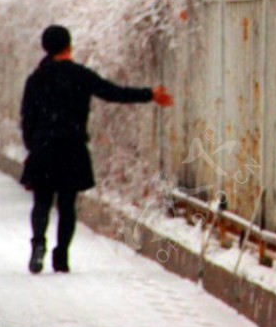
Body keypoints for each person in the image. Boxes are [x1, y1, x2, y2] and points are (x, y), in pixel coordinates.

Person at [19, 24, 174, 274]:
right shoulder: (80, 75)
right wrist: (149, 94)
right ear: (69, 46)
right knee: (67, 204)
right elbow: (112, 92)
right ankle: (61, 256)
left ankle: (38, 245)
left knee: (41, 202)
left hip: (44, 148)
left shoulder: (36, 79)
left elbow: (27, 117)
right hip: (72, 147)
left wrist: (33, 147)